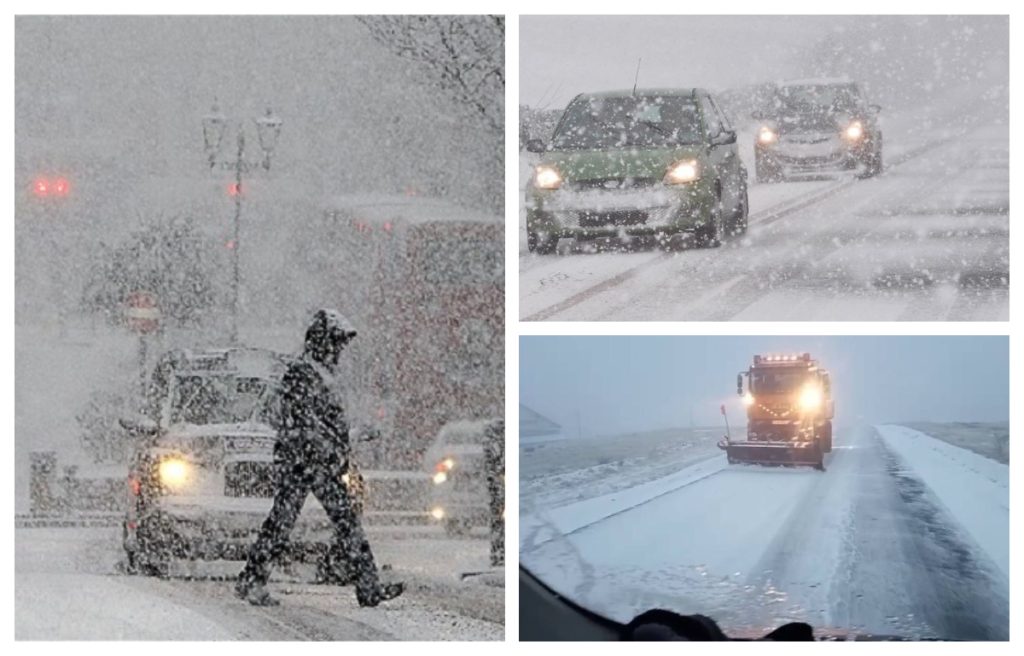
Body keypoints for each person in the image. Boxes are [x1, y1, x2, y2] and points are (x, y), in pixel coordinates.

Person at [235, 309, 404, 607]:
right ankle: (366, 585)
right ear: (323, 342)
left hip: (313, 461)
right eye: (337, 344)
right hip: (306, 462)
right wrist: (328, 447)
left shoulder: (319, 374)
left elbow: (321, 424)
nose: (339, 351)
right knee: (327, 521)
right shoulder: (302, 373)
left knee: (304, 521)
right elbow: (305, 422)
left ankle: (254, 578)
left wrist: (347, 438)